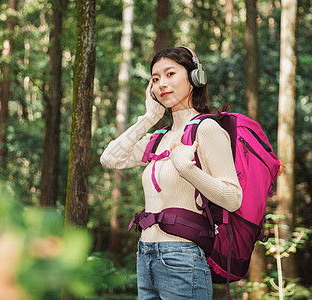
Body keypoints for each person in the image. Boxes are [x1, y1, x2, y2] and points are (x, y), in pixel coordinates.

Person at [100, 47, 242, 299]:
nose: (162, 84)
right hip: (145, 255)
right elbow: (110, 159)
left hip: (183, 257)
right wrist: (149, 117)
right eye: (155, 79)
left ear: (194, 78)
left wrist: (186, 168)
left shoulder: (206, 128)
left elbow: (233, 198)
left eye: (170, 74)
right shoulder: (159, 137)